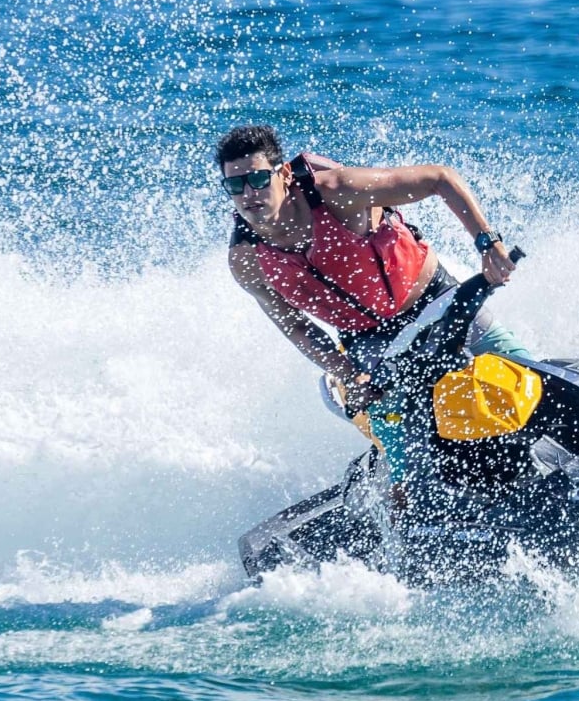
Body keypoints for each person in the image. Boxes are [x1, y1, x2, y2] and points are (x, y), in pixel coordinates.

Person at [217, 124, 529, 476]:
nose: (248, 193)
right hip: (371, 344)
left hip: (438, 301)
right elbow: (295, 327)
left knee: (529, 374)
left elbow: (440, 179)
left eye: (258, 179)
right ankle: (402, 502)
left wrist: (488, 244)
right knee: (408, 463)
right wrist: (348, 375)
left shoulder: (338, 191)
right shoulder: (246, 260)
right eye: (234, 185)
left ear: (284, 174)